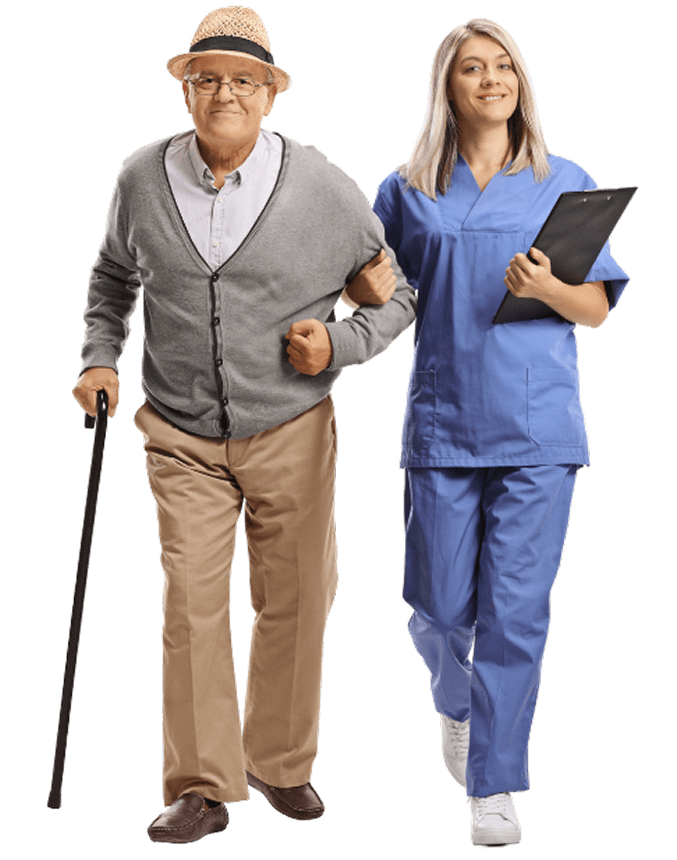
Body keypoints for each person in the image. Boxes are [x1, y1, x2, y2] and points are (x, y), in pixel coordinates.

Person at [72, 6, 415, 844]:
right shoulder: (140, 178)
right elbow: (112, 277)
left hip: (291, 427)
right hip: (181, 430)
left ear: (269, 95)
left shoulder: (322, 185)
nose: (223, 92)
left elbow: (396, 294)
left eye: (242, 79)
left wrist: (338, 342)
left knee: (297, 599)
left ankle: (281, 764)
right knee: (189, 605)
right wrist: (98, 357)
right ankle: (201, 786)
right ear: (187, 91)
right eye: (206, 78)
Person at [353, 17, 630, 848]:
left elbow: (597, 309)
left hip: (537, 426)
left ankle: (494, 787)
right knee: (437, 606)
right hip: (442, 421)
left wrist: (548, 286)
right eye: (472, 67)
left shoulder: (561, 179)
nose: (490, 79)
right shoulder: (405, 189)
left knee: (514, 612)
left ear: (521, 81)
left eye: (503, 64)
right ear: (447, 85)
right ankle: (455, 702)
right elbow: (378, 296)